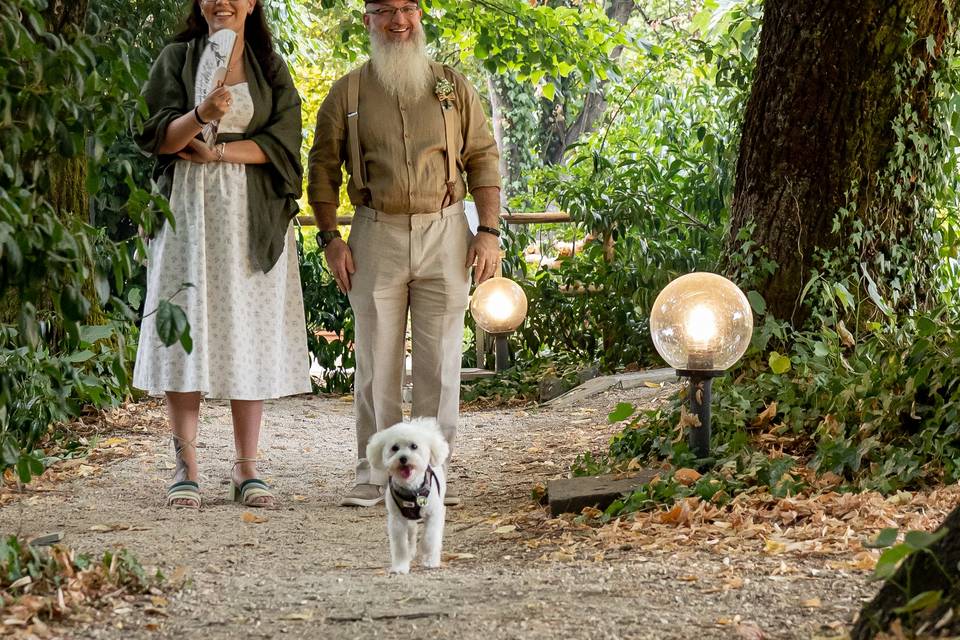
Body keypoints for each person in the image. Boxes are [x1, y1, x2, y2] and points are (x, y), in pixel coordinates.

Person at [307, 0, 502, 507]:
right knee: (376, 362)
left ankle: (432, 475)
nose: (399, 21)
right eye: (385, 10)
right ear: (367, 20)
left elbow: (483, 157)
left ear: (420, 15)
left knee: (440, 362)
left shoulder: (452, 86)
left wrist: (490, 232)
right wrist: (331, 240)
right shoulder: (348, 92)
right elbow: (322, 169)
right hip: (376, 233)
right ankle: (374, 477)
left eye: (408, 8)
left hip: (447, 233)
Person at [134, 0, 311, 509]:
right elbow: (158, 138)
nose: (222, 1)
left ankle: (246, 470)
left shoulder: (268, 65)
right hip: (187, 207)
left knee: (245, 328)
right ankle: (185, 468)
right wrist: (200, 115)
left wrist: (219, 150)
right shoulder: (176, 57)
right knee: (184, 325)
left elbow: (284, 142)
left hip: (248, 210)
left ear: (252, 3)